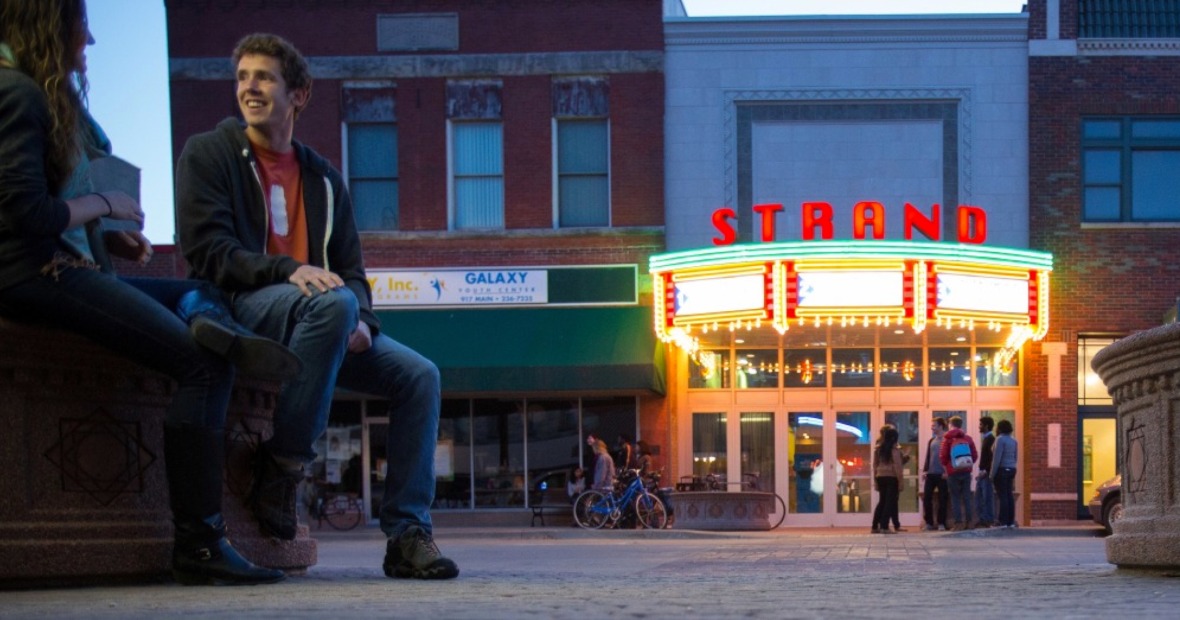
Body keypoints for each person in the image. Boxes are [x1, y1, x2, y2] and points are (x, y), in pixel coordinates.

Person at [0, 0, 297, 586]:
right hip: (32, 275)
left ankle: (218, 325)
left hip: (46, 264)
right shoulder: (19, 93)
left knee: (195, 290)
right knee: (203, 368)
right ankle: (201, 543)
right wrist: (106, 205)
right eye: (80, 28)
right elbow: (23, 212)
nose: (88, 42)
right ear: (49, 26)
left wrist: (107, 233)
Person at [174, 33, 458, 579]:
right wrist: (290, 271)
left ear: (298, 94)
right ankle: (282, 468)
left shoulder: (324, 179)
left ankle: (406, 534)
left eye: (264, 77)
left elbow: (353, 272)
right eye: (242, 77)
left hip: (326, 320)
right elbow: (208, 253)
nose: (249, 88)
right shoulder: (208, 154)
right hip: (244, 308)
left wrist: (365, 322)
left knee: (419, 375)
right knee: (331, 305)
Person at [939, 415, 978, 531]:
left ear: (950, 425)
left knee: (955, 497)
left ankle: (958, 523)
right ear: (961, 425)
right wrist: (967, 464)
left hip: (953, 472)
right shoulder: (968, 439)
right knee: (967, 497)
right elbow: (974, 455)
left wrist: (948, 466)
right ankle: (970, 523)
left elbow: (943, 456)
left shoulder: (947, 439)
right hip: (966, 472)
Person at [871, 425, 904, 534]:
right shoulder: (894, 449)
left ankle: (875, 526)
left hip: (880, 476)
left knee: (882, 502)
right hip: (891, 477)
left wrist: (875, 479)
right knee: (889, 502)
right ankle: (884, 526)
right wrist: (900, 481)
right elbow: (897, 466)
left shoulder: (878, 448)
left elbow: (875, 465)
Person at [636, 439, 675, 528]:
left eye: (637, 447)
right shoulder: (642, 457)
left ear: (641, 447)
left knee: (648, 504)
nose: (636, 448)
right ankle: (648, 522)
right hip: (644, 482)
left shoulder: (646, 457)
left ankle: (653, 522)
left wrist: (643, 476)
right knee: (646, 504)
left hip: (645, 483)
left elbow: (646, 470)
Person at [922, 417, 949, 531]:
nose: (932, 427)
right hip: (931, 474)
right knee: (927, 498)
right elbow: (928, 457)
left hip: (942, 474)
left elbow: (949, 457)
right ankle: (929, 522)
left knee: (943, 499)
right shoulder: (931, 441)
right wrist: (925, 470)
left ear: (941, 426)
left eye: (934, 425)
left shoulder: (947, 440)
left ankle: (941, 522)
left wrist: (947, 471)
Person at [990, 419, 1018, 528]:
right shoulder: (1014, 440)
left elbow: (996, 458)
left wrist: (992, 474)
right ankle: (1011, 521)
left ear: (999, 428)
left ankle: (1003, 521)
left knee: (1003, 496)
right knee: (1009, 495)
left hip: (1002, 469)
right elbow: (1015, 457)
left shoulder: (1000, 439)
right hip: (1011, 469)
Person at [975, 416, 997, 528]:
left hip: (986, 474)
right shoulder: (986, 439)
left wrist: (985, 471)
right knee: (979, 497)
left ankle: (988, 520)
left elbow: (992, 458)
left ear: (986, 426)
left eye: (981, 424)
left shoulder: (991, 439)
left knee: (987, 497)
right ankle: (983, 519)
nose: (979, 426)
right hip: (982, 473)